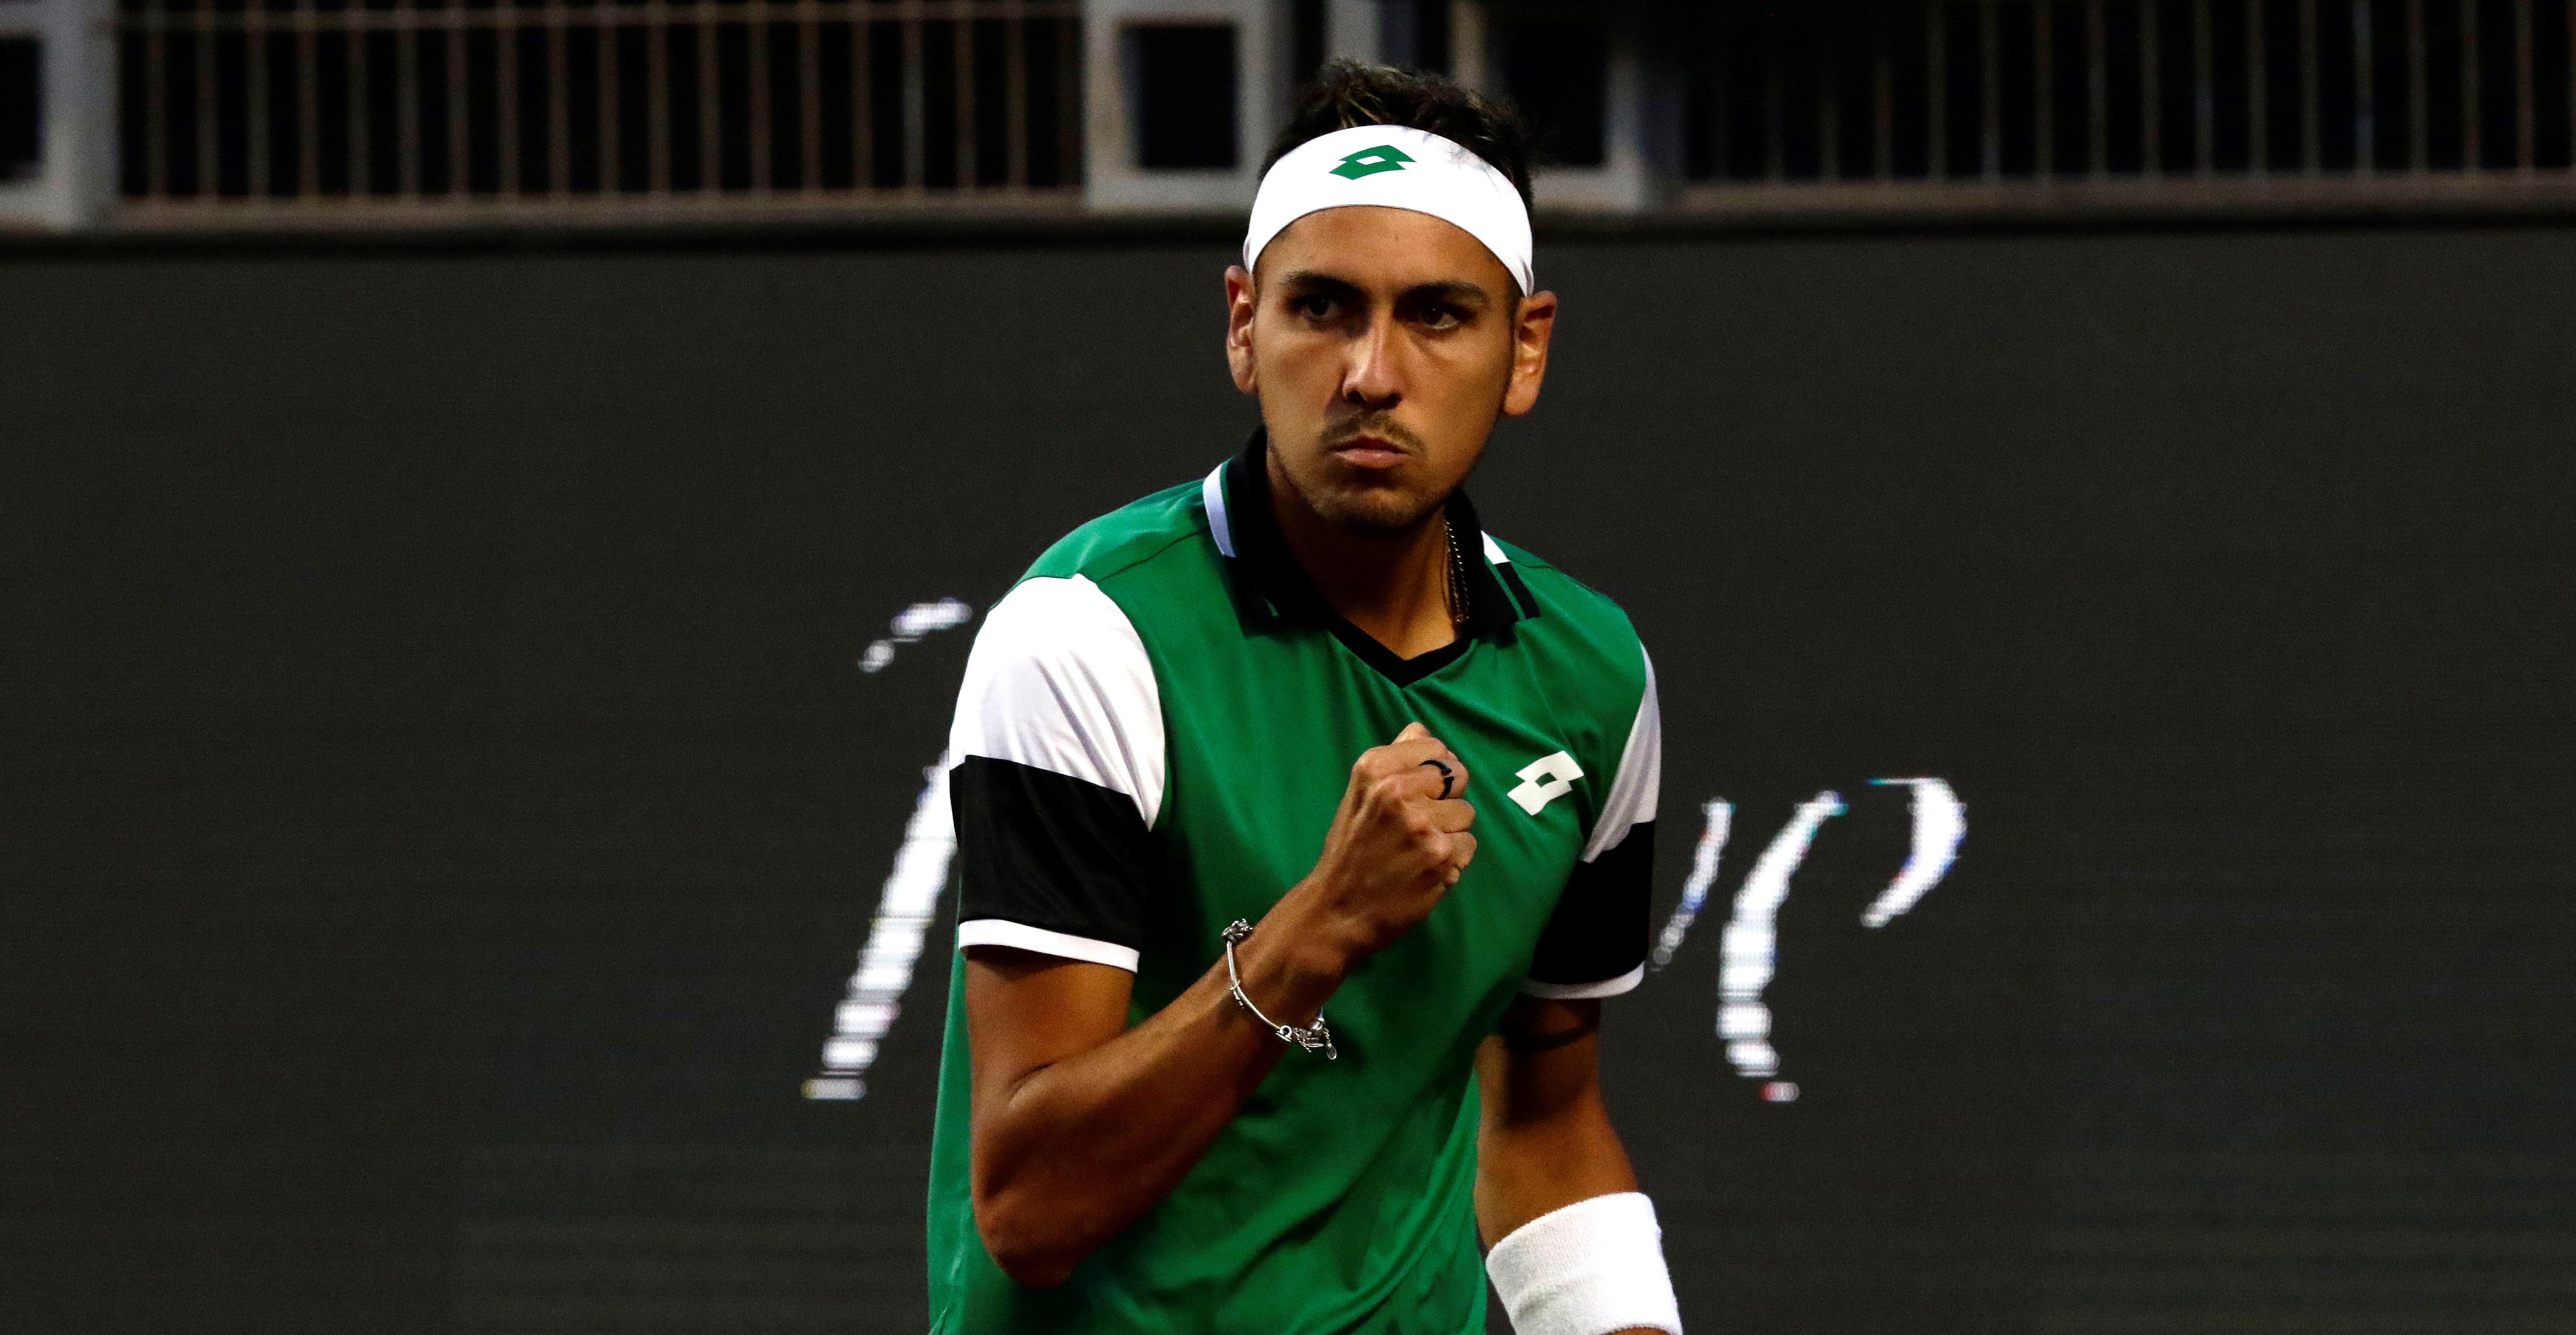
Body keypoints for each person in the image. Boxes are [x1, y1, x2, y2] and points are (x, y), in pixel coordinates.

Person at [924, 61, 1681, 1335]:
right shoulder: (1085, 636)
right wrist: (1320, 927)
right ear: (1242, 325)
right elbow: (1031, 1207)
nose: (1371, 374)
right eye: (1322, 308)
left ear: (1525, 349)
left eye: (1437, 316)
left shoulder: (1594, 677)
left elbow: (1541, 1113)